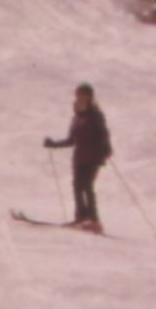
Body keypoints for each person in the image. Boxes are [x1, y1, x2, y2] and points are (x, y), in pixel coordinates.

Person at [44, 82, 113, 233]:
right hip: (79, 157)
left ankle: (93, 220)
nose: (79, 98)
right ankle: (81, 217)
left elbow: (103, 135)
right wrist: (53, 144)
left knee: (86, 186)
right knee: (77, 185)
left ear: (89, 97)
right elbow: (72, 140)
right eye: (78, 94)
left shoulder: (95, 115)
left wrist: (105, 151)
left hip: (93, 157)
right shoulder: (77, 116)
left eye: (83, 95)